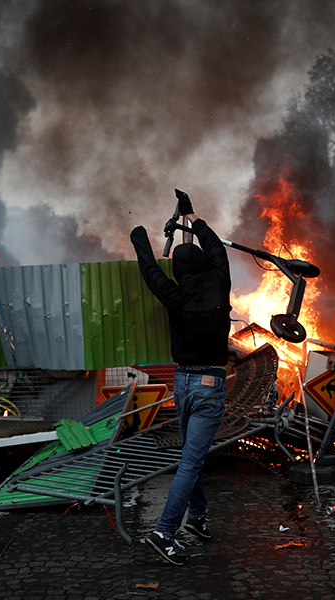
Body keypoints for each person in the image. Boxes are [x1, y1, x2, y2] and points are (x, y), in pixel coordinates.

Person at [130, 192, 231, 566]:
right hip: (208, 388)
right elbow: (216, 246)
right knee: (191, 462)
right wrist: (193, 220)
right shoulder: (221, 280)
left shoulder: (173, 294)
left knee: (192, 457)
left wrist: (140, 238)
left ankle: (198, 518)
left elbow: (150, 271)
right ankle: (164, 532)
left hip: (183, 385)